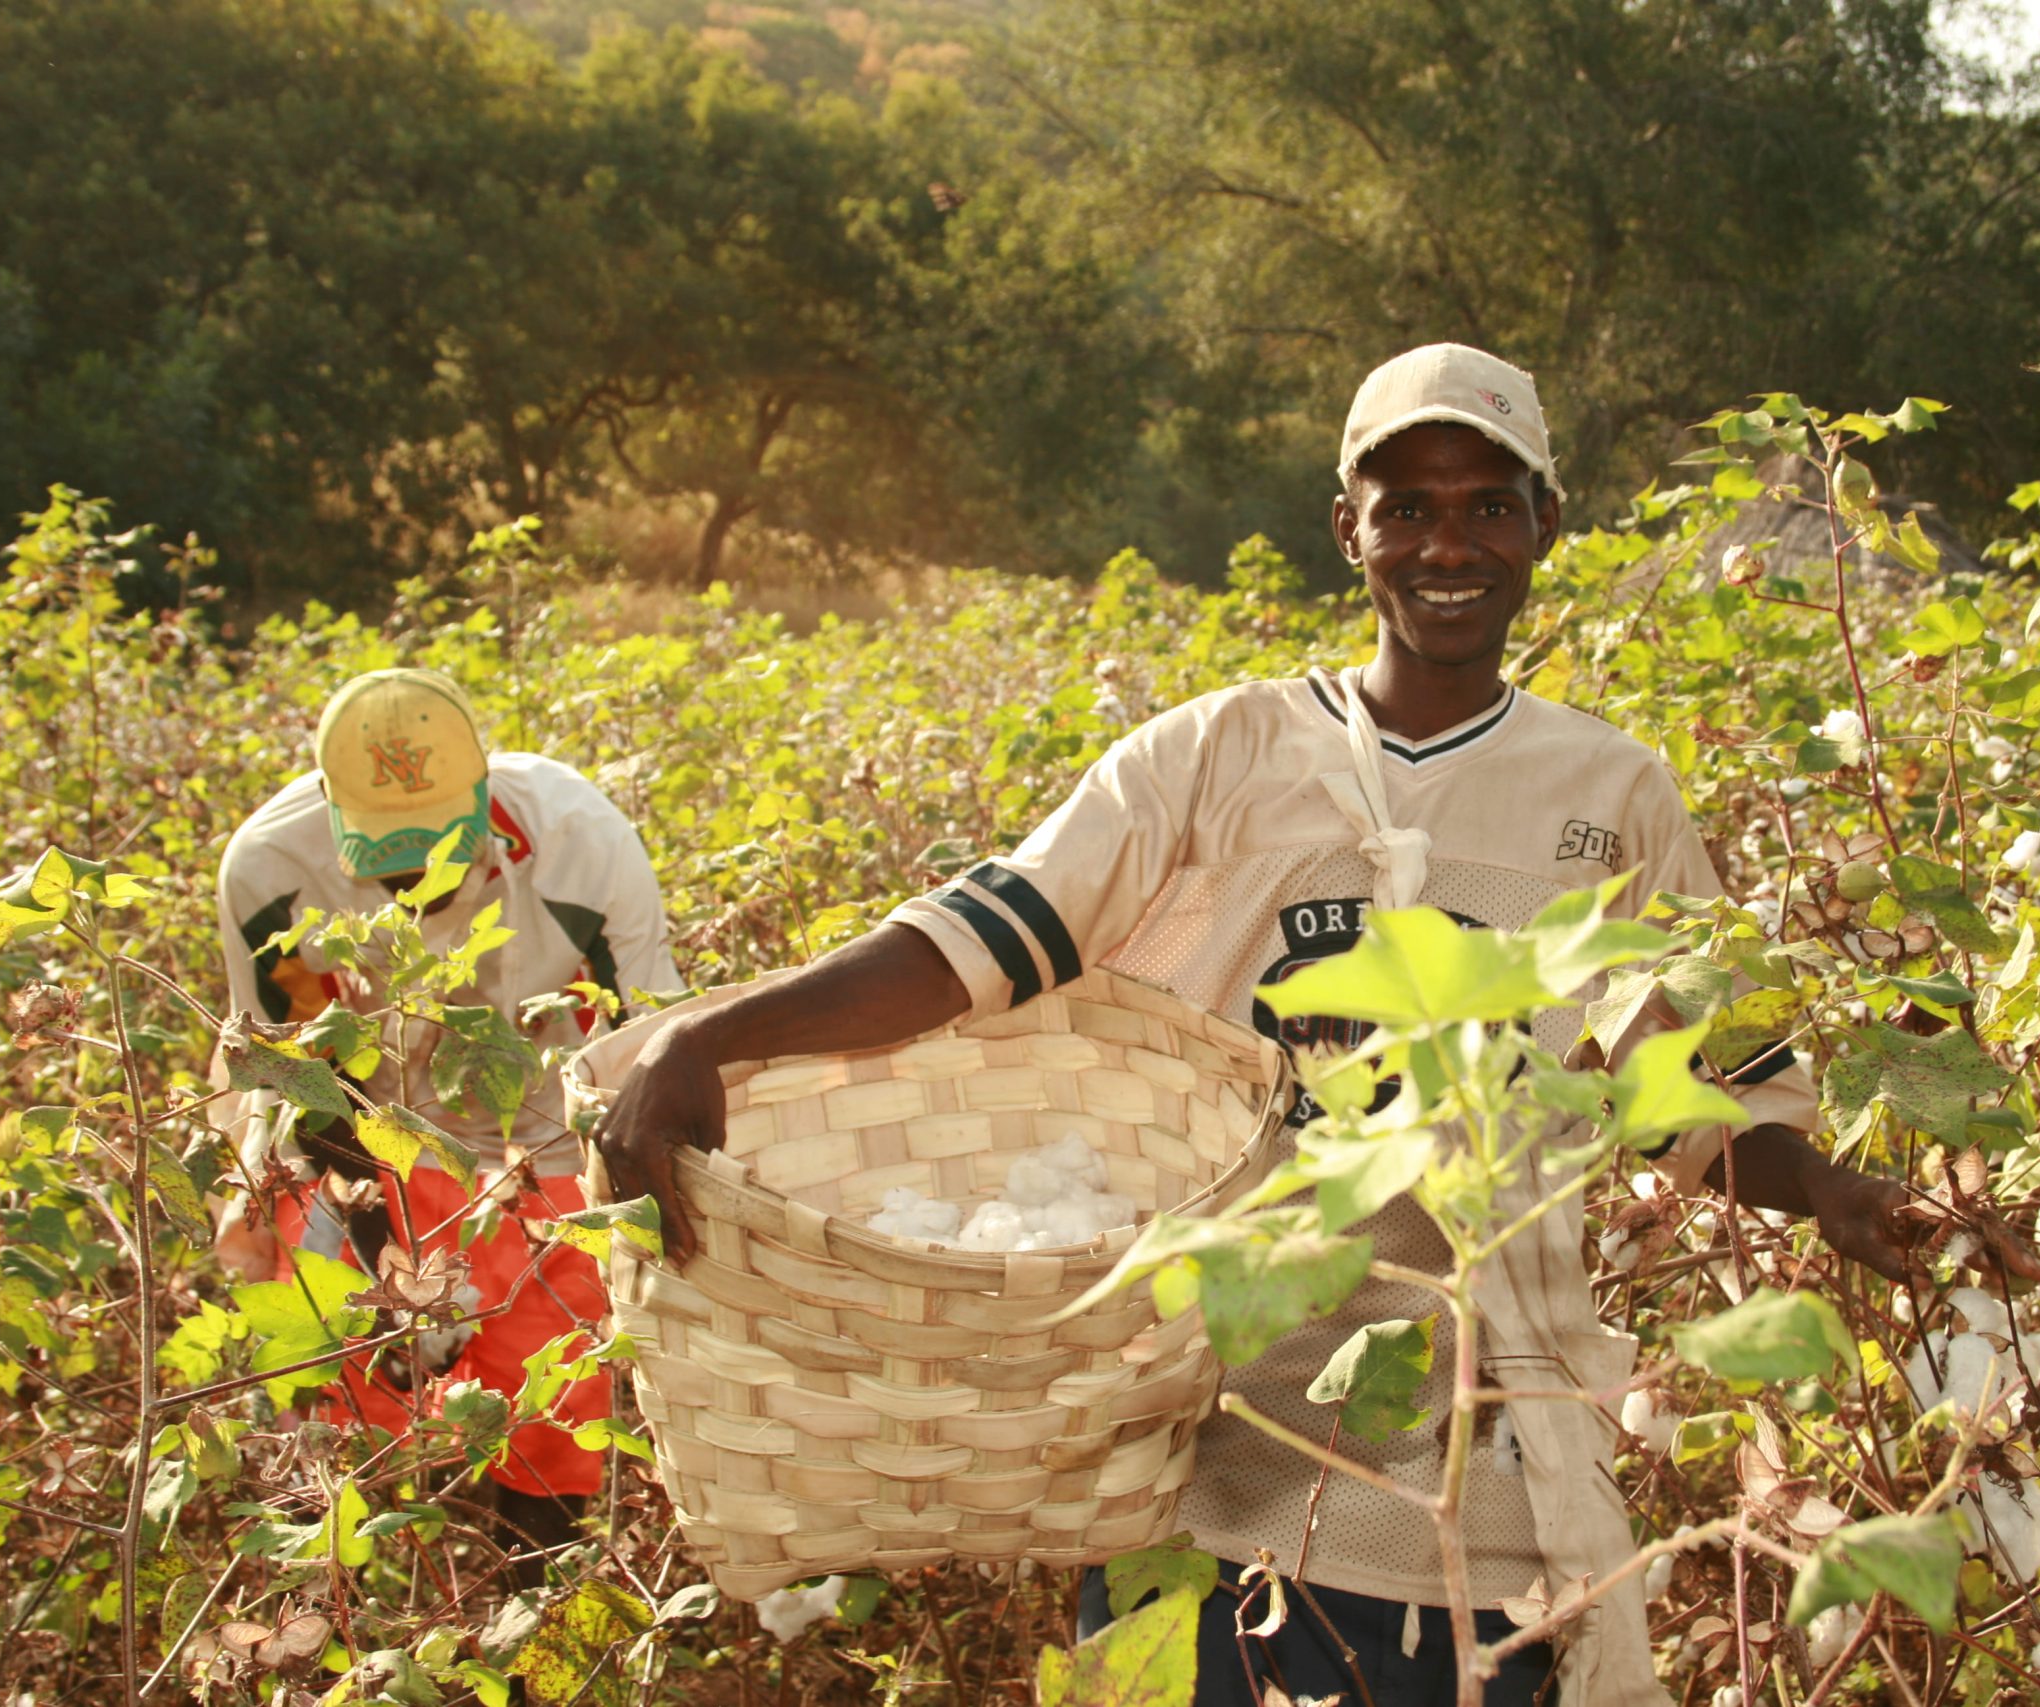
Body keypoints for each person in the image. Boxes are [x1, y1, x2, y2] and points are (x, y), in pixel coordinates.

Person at [593, 346, 1907, 1704]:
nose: (1446, 543)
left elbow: (1682, 1083)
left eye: (1487, 504)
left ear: (1543, 528)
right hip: (1200, 1471)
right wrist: (708, 1040)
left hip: (1469, 1488)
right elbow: (981, 944)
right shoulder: (1222, 755)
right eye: (1406, 507)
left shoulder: (1610, 792)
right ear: (1351, 531)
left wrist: (1825, 1186)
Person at [213, 666, 680, 1567]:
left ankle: (536, 1561)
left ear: (485, 792)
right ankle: (351, 1575)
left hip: (545, 1125)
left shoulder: (582, 843)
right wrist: (388, 1262)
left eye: (441, 844)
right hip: (365, 1126)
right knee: (336, 1352)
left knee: (552, 1368)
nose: (418, 875)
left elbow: (645, 1054)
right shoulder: (271, 870)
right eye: (390, 854)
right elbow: (294, 1077)